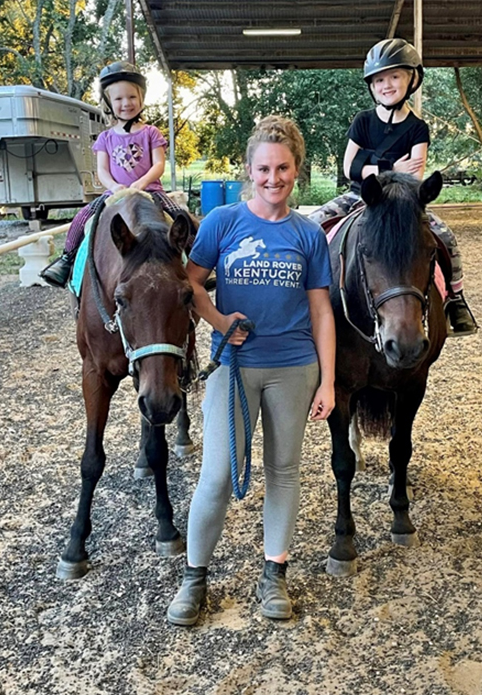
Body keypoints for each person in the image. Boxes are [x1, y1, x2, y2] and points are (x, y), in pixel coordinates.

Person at [166, 116, 335, 626]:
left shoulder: (308, 234)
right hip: (234, 365)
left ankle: (274, 573)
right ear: (248, 169)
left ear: (297, 170)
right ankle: (195, 577)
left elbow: (322, 310)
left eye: (283, 168)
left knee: (284, 470)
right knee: (216, 473)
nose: (273, 178)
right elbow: (190, 284)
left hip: (294, 366)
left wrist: (328, 380)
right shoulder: (222, 221)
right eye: (264, 168)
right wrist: (219, 320)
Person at [307, 38, 478, 336]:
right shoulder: (362, 121)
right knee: (311, 225)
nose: (386, 85)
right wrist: (390, 168)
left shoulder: (417, 128)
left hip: (401, 200)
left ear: (412, 79)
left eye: (394, 76)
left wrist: (371, 165)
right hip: (357, 195)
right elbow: (350, 167)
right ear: (371, 87)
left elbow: (414, 172)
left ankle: (456, 300)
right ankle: (297, 294)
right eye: (379, 80)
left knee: (445, 237)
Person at [41, 61, 190, 288]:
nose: (126, 103)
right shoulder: (105, 138)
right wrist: (114, 186)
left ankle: (199, 262)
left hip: (150, 191)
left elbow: (159, 163)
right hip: (116, 192)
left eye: (131, 97)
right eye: (119, 99)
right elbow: (102, 170)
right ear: (109, 102)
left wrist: (142, 182)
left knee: (180, 215)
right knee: (82, 217)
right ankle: (67, 259)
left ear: (141, 98)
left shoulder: (151, 132)